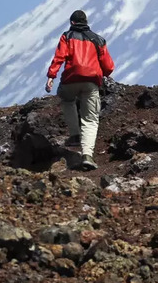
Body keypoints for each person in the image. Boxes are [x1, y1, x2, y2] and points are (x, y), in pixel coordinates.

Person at [45, 10, 115, 170]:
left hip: (70, 79)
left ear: (72, 23)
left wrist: (51, 76)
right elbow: (109, 67)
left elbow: (59, 57)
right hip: (91, 82)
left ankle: (75, 134)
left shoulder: (67, 36)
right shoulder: (98, 39)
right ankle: (87, 156)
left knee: (67, 100)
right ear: (86, 22)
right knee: (90, 119)